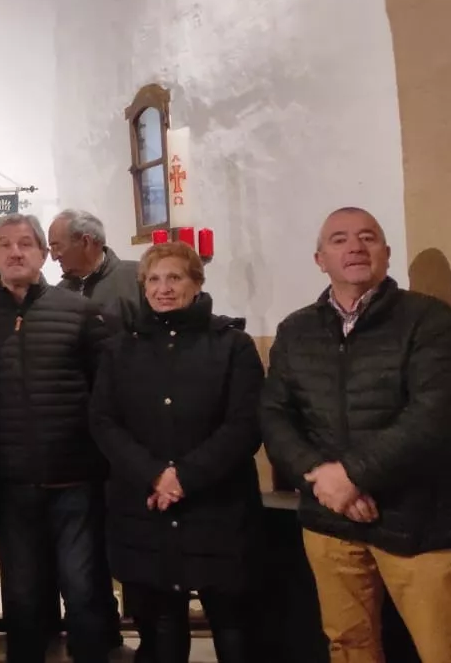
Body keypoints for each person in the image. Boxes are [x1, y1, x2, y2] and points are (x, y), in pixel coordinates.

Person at [261, 207, 451, 662]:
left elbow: (434, 415)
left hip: (418, 518)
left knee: (441, 646)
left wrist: (353, 475)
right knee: (348, 645)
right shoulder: (295, 330)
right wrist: (321, 476)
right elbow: (274, 415)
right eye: (340, 239)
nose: (355, 247)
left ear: (386, 253)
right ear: (319, 259)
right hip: (330, 519)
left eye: (368, 238)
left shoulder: (429, 320)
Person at [0, 214, 114, 663]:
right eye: (4, 244)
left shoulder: (80, 313)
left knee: (83, 589)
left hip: (75, 478)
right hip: (11, 481)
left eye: (26, 244)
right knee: (22, 593)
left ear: (44, 253)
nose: (15, 252)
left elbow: (105, 395)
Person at [89, 242, 263, 663]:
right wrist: (154, 474)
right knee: (160, 626)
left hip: (217, 505)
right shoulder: (119, 350)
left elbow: (245, 424)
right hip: (146, 507)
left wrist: (183, 477)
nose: (163, 288)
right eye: (154, 279)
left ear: (197, 283)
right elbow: (104, 422)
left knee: (232, 623)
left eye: (175, 277)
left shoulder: (231, 346)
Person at [50, 210, 141, 327]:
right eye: (51, 248)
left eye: (57, 246)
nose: (54, 257)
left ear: (86, 242)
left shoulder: (138, 278)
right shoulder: (59, 294)